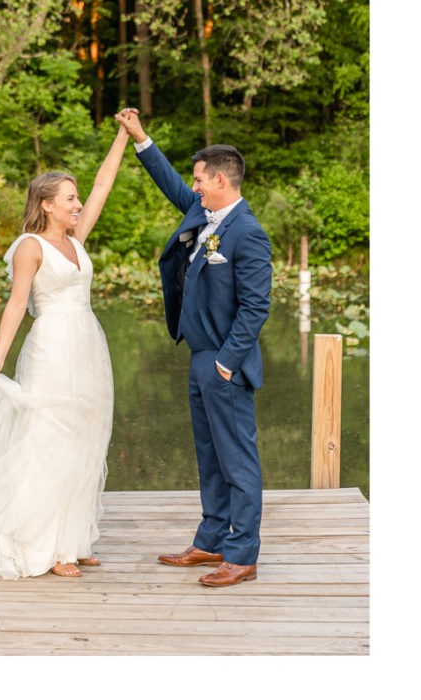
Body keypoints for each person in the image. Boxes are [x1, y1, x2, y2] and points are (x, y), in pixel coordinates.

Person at [0, 117, 132, 579]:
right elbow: (17, 305)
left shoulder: (76, 238)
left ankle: (75, 540)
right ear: (46, 204)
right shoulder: (30, 247)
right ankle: (52, 549)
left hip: (87, 346)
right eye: (69, 198)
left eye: (76, 198)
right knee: (50, 439)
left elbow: (102, 184)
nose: (78, 204)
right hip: (52, 347)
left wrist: (123, 135)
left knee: (86, 440)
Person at [119, 108, 271, 588]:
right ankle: (211, 541)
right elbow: (169, 184)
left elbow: (256, 308)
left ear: (221, 180)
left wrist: (227, 363)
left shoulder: (248, 233)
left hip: (225, 362)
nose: (195, 185)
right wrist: (141, 137)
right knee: (209, 455)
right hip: (198, 357)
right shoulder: (204, 214)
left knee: (237, 460)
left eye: (201, 178)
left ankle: (242, 555)